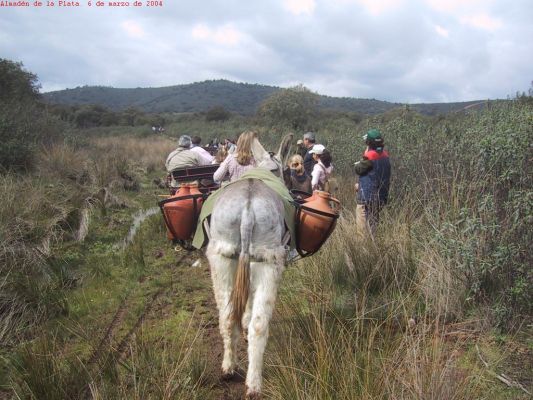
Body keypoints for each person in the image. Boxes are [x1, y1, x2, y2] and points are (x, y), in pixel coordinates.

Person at [354, 128, 391, 238]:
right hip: (380, 198)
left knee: (362, 230)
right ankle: (373, 249)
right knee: (373, 227)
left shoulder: (370, 156)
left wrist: (365, 154)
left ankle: (363, 252)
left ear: (368, 143)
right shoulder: (385, 155)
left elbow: (358, 169)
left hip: (366, 198)